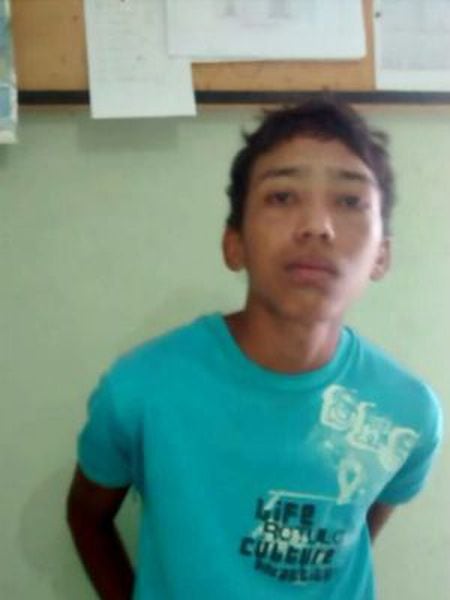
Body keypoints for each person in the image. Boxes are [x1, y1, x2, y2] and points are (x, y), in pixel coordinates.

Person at [66, 97, 443, 600]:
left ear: (382, 254)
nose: (317, 225)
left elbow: (350, 537)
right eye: (282, 196)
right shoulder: (142, 391)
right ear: (235, 244)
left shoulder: (407, 413)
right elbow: (87, 518)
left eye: (350, 201)